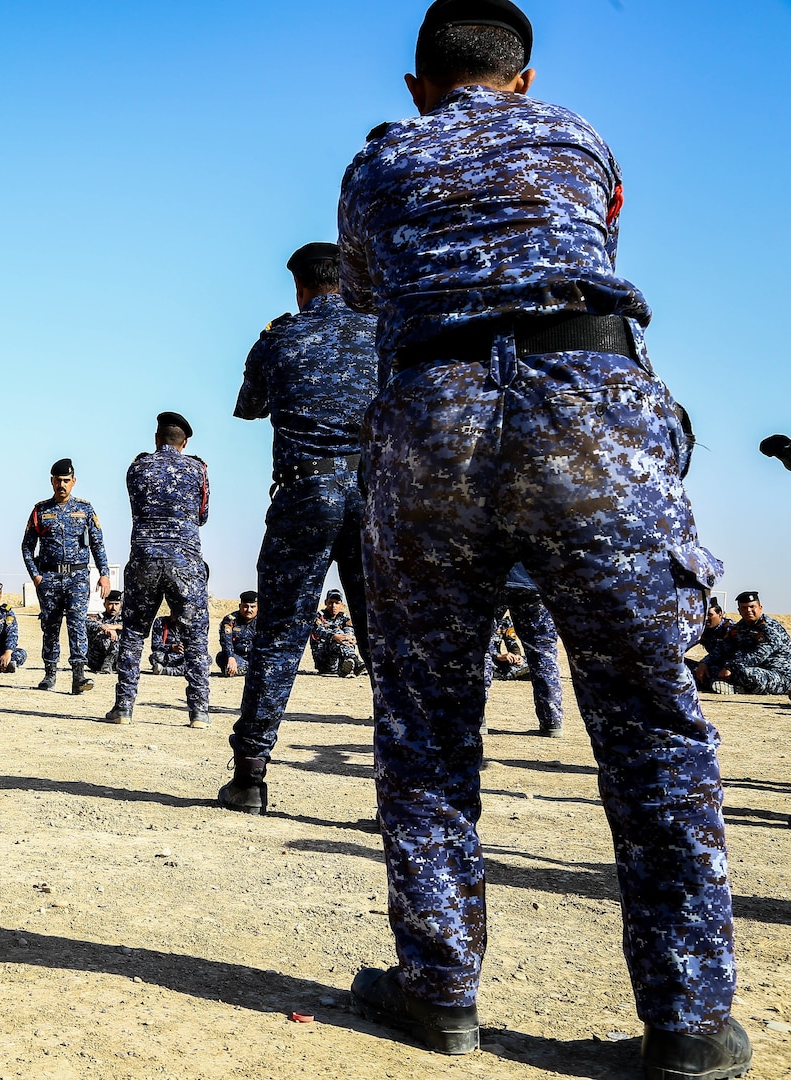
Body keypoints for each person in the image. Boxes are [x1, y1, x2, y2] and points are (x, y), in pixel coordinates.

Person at [339, 4, 748, 1073]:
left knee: (426, 725)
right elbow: (598, 233)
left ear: (418, 84)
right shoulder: (575, 133)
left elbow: (370, 288)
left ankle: (438, 992)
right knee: (653, 724)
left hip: (433, 419)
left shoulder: (377, 163)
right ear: (522, 78)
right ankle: (692, 1022)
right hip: (591, 412)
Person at [222, 240, 377, 812]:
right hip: (373, 497)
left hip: (303, 495)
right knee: (384, 643)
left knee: (279, 637)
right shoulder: (382, 331)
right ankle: (403, 790)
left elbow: (249, 405)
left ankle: (251, 776)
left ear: (300, 287)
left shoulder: (279, 337)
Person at [102, 412, 211, 727]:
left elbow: (137, 507)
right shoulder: (198, 470)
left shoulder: (137, 467)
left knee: (134, 632)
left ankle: (123, 708)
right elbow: (202, 515)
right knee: (194, 635)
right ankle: (199, 712)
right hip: (185, 562)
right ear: (185, 442)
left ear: (156, 439)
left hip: (145, 559)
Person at [21, 458, 111, 693]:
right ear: (51, 481)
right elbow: (27, 547)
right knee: (50, 626)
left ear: (74, 481)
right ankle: (50, 674)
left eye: (66, 481)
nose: (62, 485)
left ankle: (78, 676)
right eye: (58, 480)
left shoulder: (85, 509)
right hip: (49, 578)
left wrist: (104, 574)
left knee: (77, 624)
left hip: (78, 577)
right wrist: (36, 577)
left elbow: (98, 544)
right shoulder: (40, 510)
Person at [492, 564, 564, 735]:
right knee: (543, 652)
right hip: (535, 583)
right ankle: (551, 721)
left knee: (480, 648)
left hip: (495, 580)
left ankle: (476, 719)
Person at [697, 591, 791, 696]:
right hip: (745, 668)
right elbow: (722, 648)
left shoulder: (770, 628)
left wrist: (730, 667)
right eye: (744, 608)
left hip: (778, 676)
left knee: (745, 673)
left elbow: (757, 655)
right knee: (707, 670)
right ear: (739, 611)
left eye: (752, 607)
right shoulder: (739, 628)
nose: (748, 610)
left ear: (760, 607)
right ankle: (725, 685)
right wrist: (704, 662)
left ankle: (733, 687)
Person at [309, 590, 362, 677]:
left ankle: (347, 666)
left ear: (342, 605)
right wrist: (334, 637)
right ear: (326, 602)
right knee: (337, 633)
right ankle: (355, 661)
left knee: (348, 632)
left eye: (337, 603)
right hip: (324, 660)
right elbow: (318, 631)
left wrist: (351, 637)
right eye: (331, 602)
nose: (333, 606)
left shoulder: (344, 618)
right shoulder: (319, 616)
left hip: (340, 660)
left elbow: (351, 631)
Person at [685, 598, 733, 680]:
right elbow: (686, 645)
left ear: (720, 615)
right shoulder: (703, 629)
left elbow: (720, 650)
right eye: (703, 614)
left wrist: (704, 662)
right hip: (711, 664)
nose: (706, 618)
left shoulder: (729, 628)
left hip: (729, 667)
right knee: (678, 663)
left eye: (710, 615)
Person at [217, 591, 258, 677]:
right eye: (245, 606)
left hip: (256, 657)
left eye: (252, 607)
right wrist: (230, 657)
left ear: (258, 607)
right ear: (240, 606)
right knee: (221, 657)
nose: (249, 610)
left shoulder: (263, 621)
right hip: (238, 656)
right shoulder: (230, 620)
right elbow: (226, 640)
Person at [84, 590, 123, 675]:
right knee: (101, 633)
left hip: (119, 662)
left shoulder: (124, 619)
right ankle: (105, 665)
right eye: (110, 604)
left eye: (116, 604)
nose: (113, 607)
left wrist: (113, 627)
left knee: (124, 635)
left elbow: (131, 627)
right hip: (97, 660)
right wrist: (104, 628)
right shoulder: (99, 617)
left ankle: (109, 663)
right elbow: (87, 622)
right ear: (104, 604)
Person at [487, 611, 528, 679]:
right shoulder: (478, 619)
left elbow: (512, 644)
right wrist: (498, 656)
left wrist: (517, 657)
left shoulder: (504, 623)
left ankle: (505, 673)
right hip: (483, 659)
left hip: (498, 662)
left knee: (530, 660)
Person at [148, 610, 188, 676]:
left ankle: (164, 670)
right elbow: (155, 646)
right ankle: (183, 670)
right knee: (156, 656)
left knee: (204, 659)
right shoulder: (160, 622)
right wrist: (172, 647)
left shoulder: (190, 625)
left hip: (184, 657)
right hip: (168, 656)